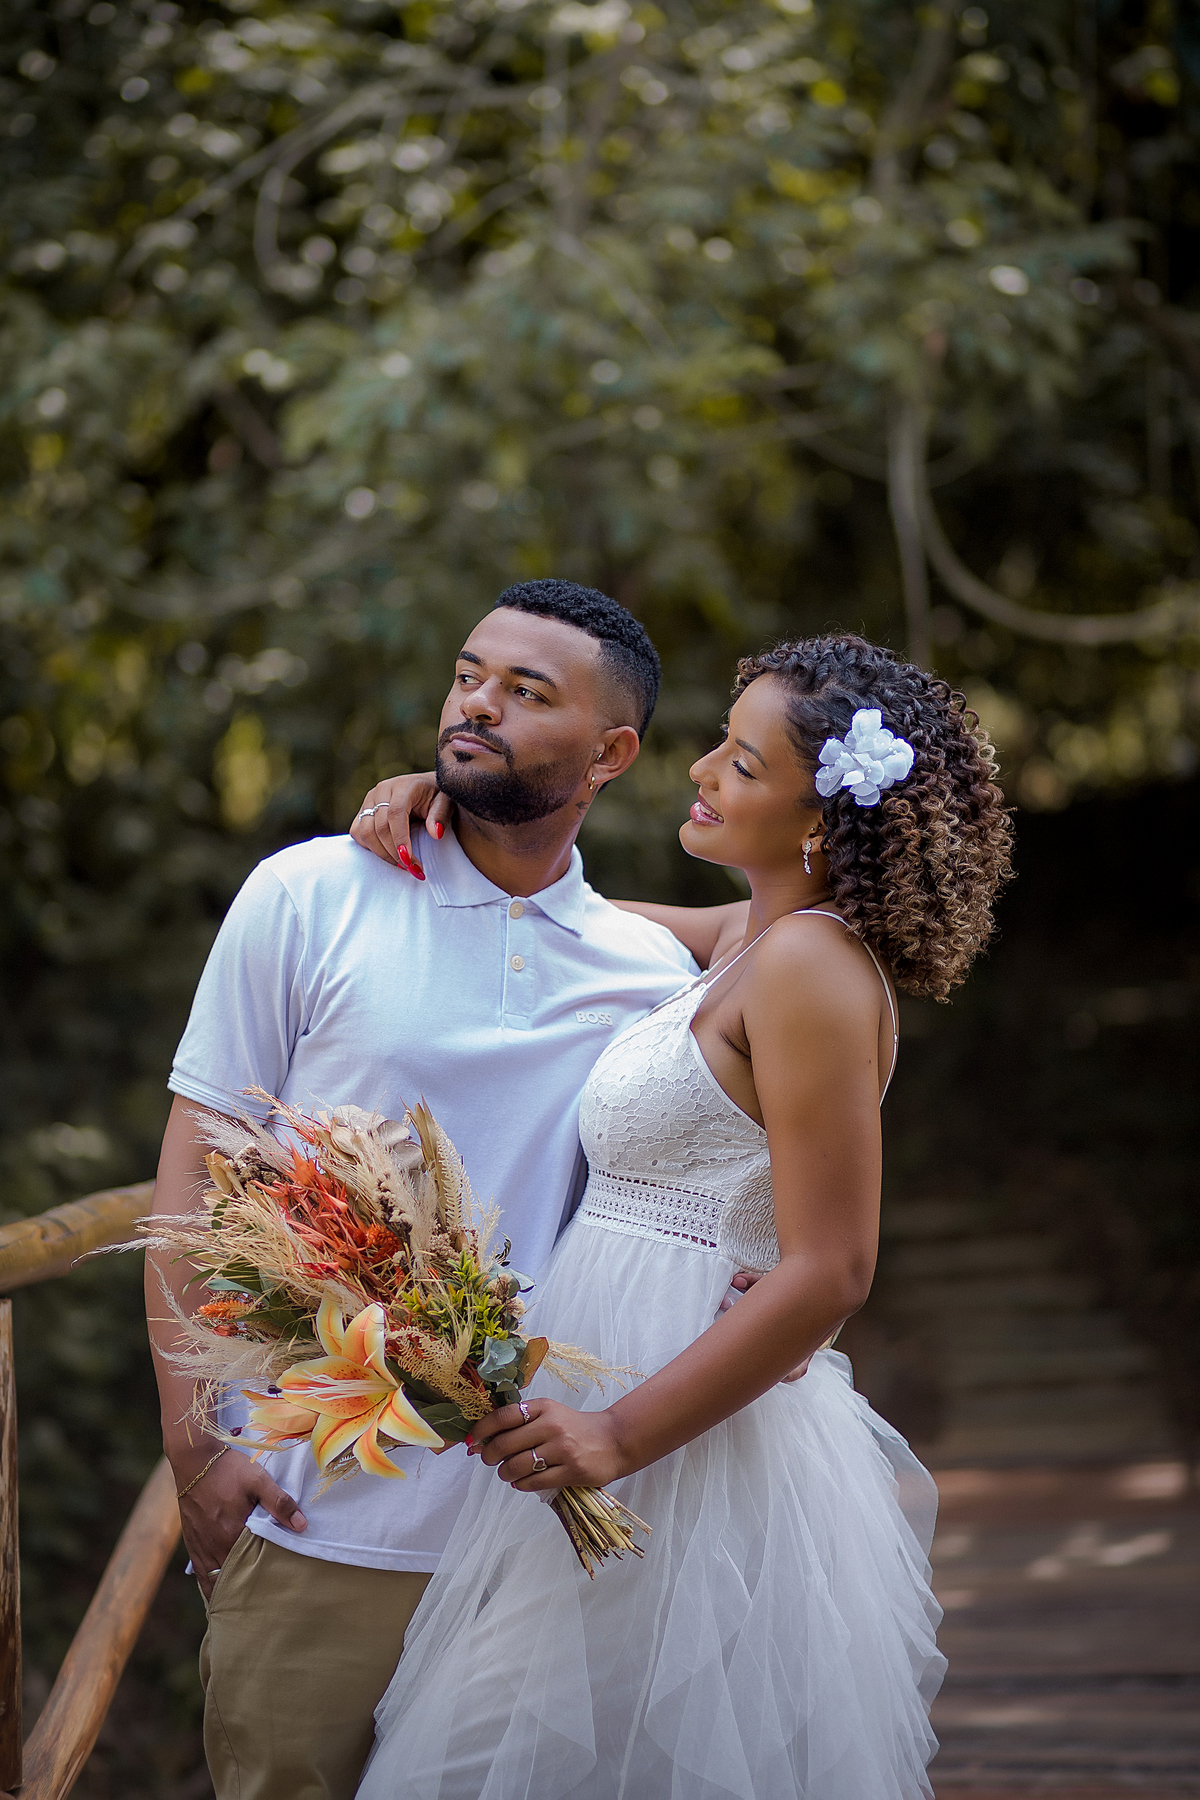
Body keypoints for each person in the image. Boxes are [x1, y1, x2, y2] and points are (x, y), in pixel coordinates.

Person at [351, 634, 1013, 1800]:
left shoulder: (810, 968)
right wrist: (449, 812)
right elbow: (556, 921)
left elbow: (833, 1266)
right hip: (615, 1378)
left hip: (677, 1428)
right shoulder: (745, 938)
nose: (702, 771)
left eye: (743, 765)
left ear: (821, 824)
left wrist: (618, 1437)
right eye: (721, 742)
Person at [148, 580, 741, 1800]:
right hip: (314, 1504)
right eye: (470, 675)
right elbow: (196, 1170)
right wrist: (194, 1444)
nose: (477, 704)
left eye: (527, 692)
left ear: (611, 755)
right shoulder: (308, 894)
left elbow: (806, 933)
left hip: (535, 1525)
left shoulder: (643, 972)